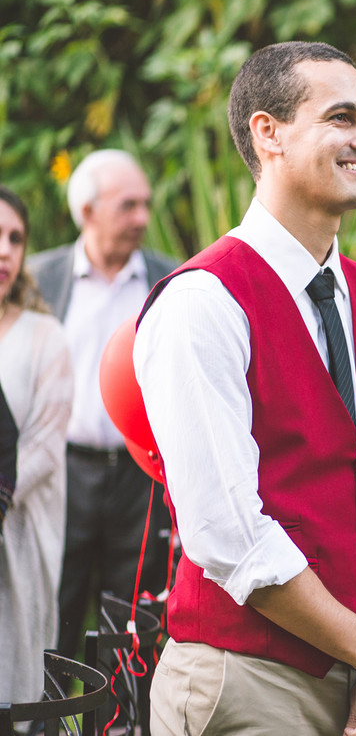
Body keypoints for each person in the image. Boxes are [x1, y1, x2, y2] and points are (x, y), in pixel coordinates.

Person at [134, 41, 356, 736]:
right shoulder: (203, 303)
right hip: (245, 682)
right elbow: (231, 536)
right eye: (340, 117)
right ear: (268, 134)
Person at [26, 149, 178, 667]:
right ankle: (36, 720)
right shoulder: (39, 280)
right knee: (52, 606)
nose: (142, 218)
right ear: (87, 212)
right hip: (63, 473)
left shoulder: (170, 282)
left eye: (145, 205)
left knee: (131, 616)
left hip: (141, 478)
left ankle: (121, 721)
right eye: (127, 206)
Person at [0, 185, 74, 707]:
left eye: (16, 238)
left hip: (17, 533)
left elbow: (45, 451)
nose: (5, 249)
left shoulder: (45, 337)